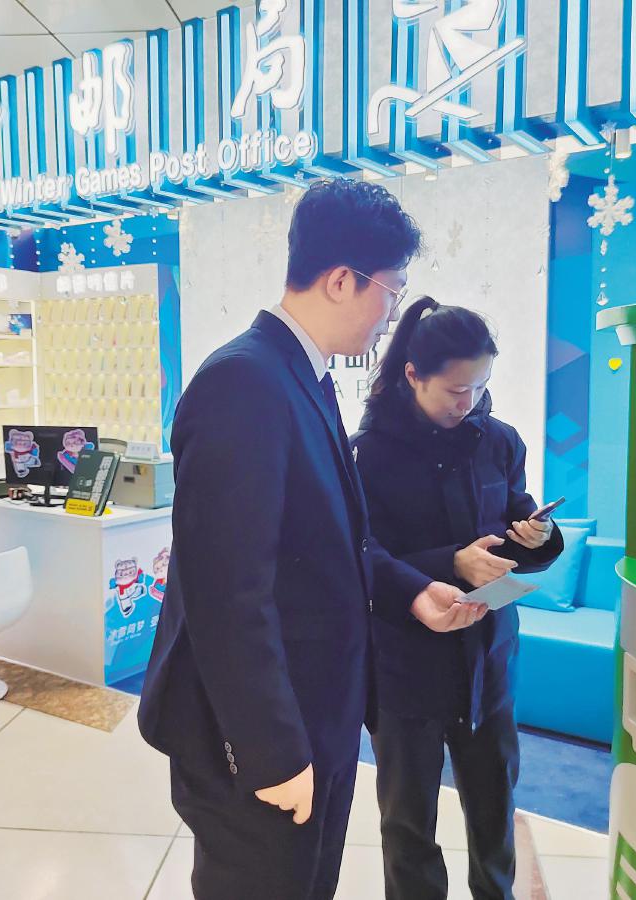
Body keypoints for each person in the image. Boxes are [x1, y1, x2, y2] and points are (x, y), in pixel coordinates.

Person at [138, 180, 487, 900]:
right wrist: (270, 752)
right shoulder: (243, 383)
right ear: (341, 280)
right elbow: (225, 593)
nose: (391, 316)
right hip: (261, 738)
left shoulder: (306, 378)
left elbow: (331, 543)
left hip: (314, 714)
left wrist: (412, 591)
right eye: (391, 292)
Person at [351, 298, 565, 900]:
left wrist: (537, 535)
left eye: (478, 387)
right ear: (413, 375)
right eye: (453, 390)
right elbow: (359, 553)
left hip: (487, 662)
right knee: (408, 822)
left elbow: (515, 521)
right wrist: (449, 562)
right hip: (406, 666)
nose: (466, 402)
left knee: (494, 810)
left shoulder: (499, 442)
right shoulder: (368, 453)